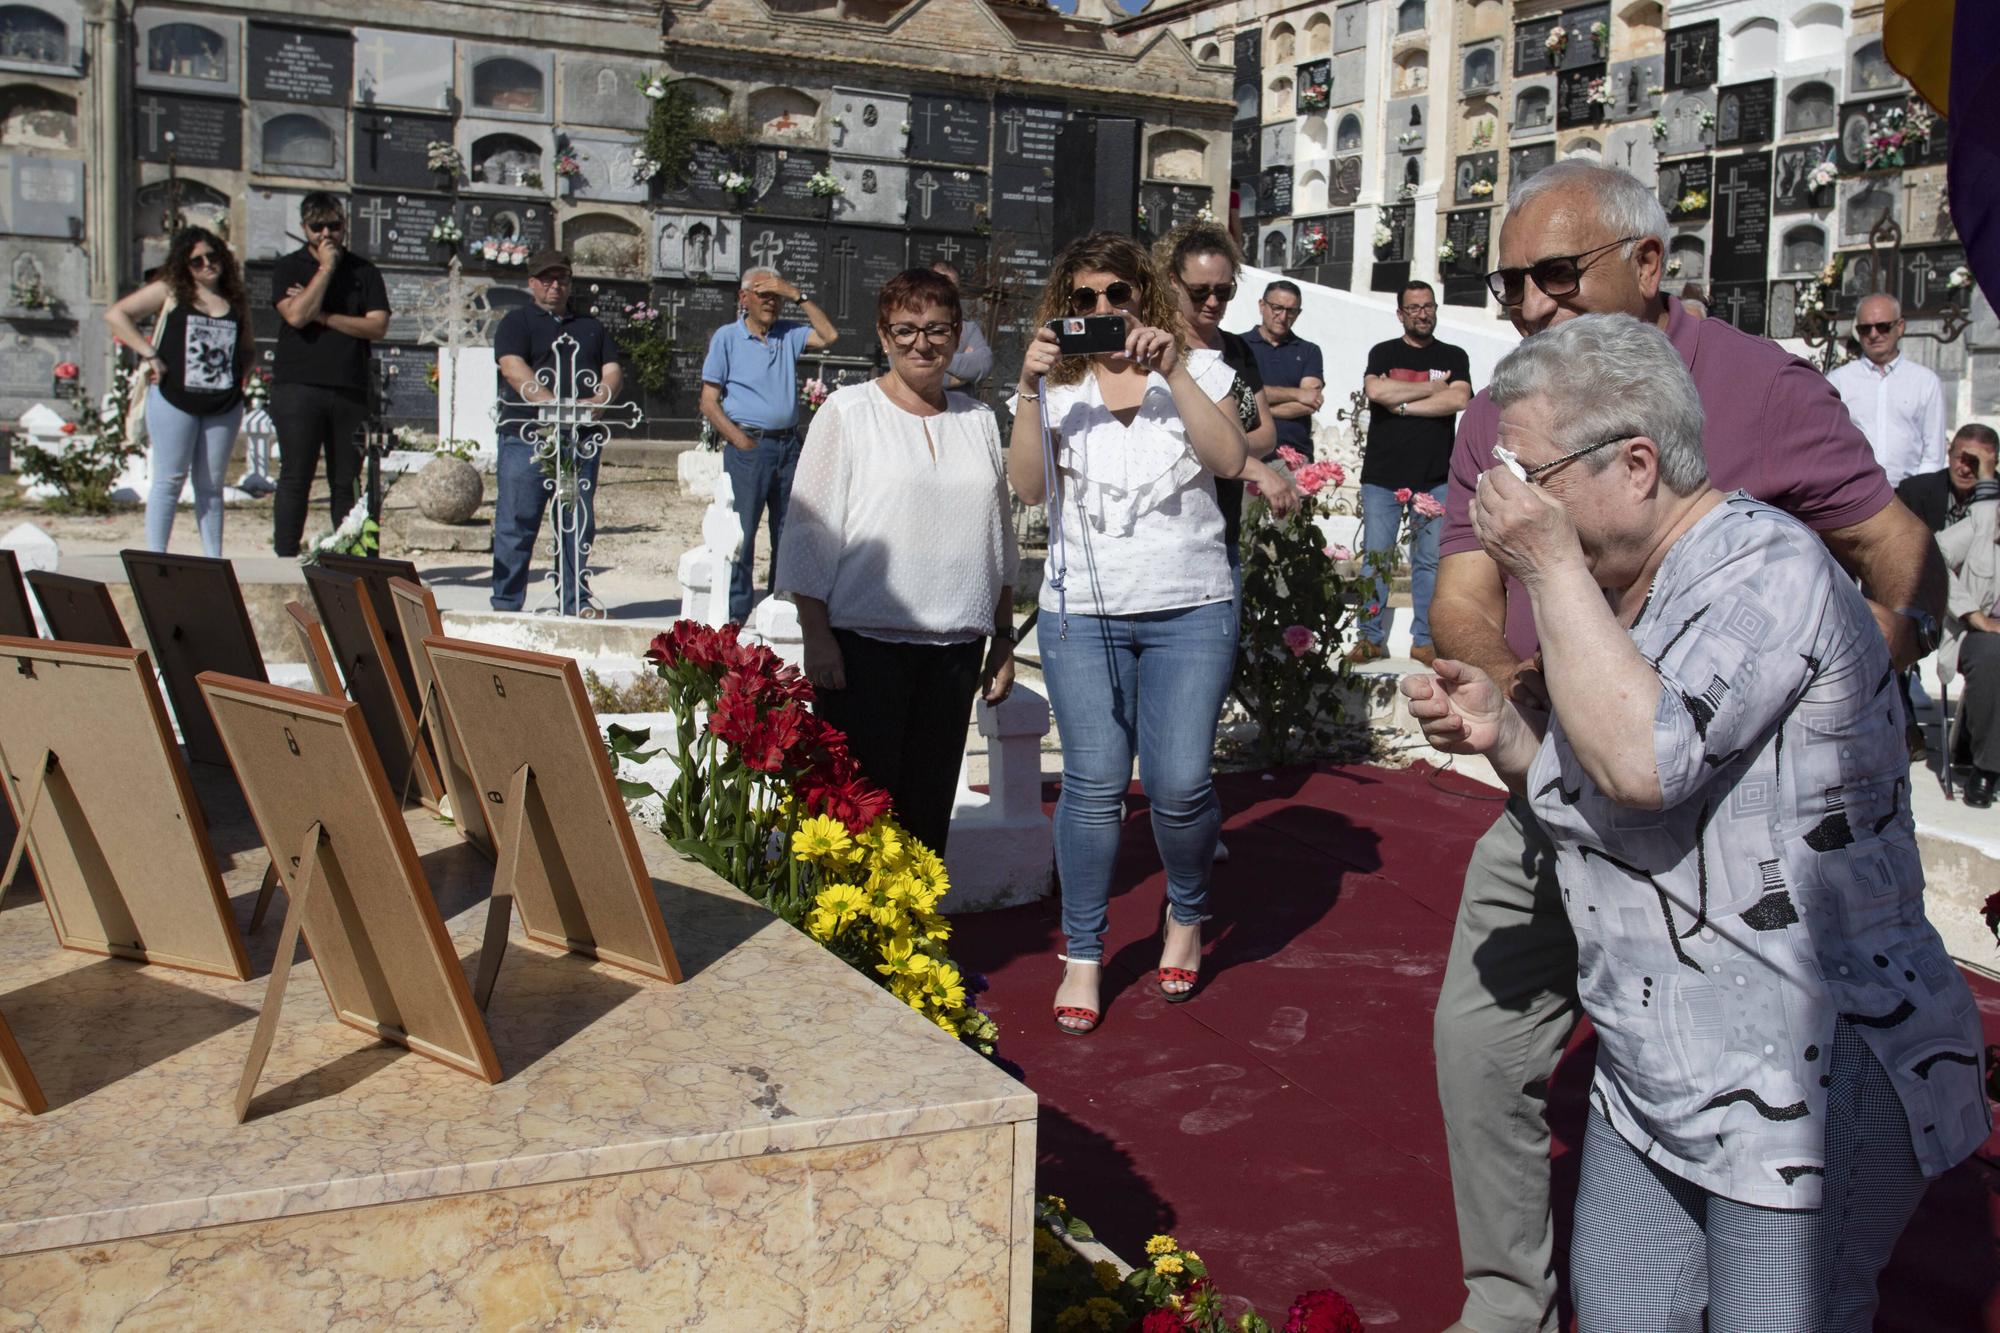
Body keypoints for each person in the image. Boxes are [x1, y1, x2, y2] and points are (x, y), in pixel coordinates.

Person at [1428, 160, 1947, 1333]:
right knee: (1480, 1040)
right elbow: (1465, 595)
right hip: (1563, 780)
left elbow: (1889, 545)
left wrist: (1851, 665)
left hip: (1735, 852)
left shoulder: (1762, 419)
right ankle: (1506, 1304)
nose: (1524, 306)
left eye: (1552, 276)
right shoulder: (1505, 406)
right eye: (1506, 282)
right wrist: (1513, 700)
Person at [1006, 231, 1251, 1035]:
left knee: (1179, 784)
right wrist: (1029, 386)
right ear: (1065, 307)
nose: (1104, 310)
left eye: (1118, 295)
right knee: (1093, 785)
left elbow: (1228, 459)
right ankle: (1084, 950)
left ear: (1144, 295)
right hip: (1083, 613)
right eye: (1085, 299)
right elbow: (1030, 489)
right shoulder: (1062, 387)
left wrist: (1171, 369)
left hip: (1190, 606)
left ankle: (1187, 912)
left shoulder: (1203, 370)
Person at [776, 268, 1018, 853]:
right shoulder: (848, 411)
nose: (921, 343)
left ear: (957, 336)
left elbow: (998, 536)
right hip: (864, 648)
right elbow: (811, 528)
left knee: (927, 811)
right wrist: (817, 635)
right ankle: (846, 941)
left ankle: (914, 937)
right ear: (883, 337)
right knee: (856, 811)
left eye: (937, 329)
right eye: (905, 329)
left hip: (955, 650)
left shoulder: (979, 421)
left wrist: (1004, 638)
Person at [1154, 220, 1300, 563]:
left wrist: (1220, 450)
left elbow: (1266, 433)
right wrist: (1236, 455)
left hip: (1226, 525)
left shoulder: (1237, 349)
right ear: (1173, 282)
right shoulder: (1159, 351)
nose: (1213, 301)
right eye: (1200, 291)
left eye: (1224, 290)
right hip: (1175, 531)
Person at [699, 267, 839, 623]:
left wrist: (797, 294)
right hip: (750, 448)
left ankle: (780, 607)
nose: (770, 303)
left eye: (775, 297)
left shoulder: (787, 334)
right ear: (744, 298)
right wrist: (739, 439)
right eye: (763, 295)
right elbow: (708, 401)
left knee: (788, 531)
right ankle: (736, 614)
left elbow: (829, 335)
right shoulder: (727, 339)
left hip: (788, 447)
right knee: (741, 533)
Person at [103, 226, 251, 557]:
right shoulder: (171, 292)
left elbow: (247, 348)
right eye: (196, 261)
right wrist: (150, 353)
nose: (206, 265)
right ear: (184, 266)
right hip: (174, 398)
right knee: (168, 480)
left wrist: (240, 378)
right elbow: (116, 315)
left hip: (222, 402)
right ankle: (156, 556)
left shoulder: (235, 299)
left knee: (211, 486)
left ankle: (213, 559)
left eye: (212, 256)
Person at [490, 248, 621, 615]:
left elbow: (611, 369)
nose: (554, 285)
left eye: (561, 277)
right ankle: (506, 605)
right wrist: (552, 405)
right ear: (532, 282)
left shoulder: (590, 327)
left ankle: (574, 602)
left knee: (576, 523)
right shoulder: (517, 322)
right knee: (517, 520)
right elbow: (512, 366)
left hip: (578, 439)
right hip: (527, 436)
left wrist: (598, 401)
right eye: (546, 278)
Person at [1354, 281, 1471, 668]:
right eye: (1414, 307)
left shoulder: (1454, 354)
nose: (1423, 313)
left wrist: (1403, 403)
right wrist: (1432, 388)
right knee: (1376, 560)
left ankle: (1424, 640)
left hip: (1435, 476)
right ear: (1401, 314)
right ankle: (1369, 638)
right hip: (1382, 478)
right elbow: (1377, 393)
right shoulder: (1383, 352)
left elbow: (1458, 399)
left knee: (1430, 562)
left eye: (1428, 306)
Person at [269, 191, 391, 557]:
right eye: (317, 227)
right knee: (296, 476)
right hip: (298, 387)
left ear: (344, 226)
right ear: (304, 229)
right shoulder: (289, 268)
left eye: (334, 226)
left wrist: (326, 318)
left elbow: (377, 326)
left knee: (346, 481)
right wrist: (325, 269)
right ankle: (286, 556)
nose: (326, 234)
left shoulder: (365, 272)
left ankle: (349, 557)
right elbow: (296, 315)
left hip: (349, 388)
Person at [1827, 293, 1948, 487]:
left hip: (1910, 493)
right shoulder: (1838, 381)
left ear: (1899, 327)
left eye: (1882, 326)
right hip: (1856, 493)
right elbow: (1829, 442)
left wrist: (1919, 491)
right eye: (1865, 328)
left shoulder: (1925, 382)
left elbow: (1934, 452)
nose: (1874, 335)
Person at [1241, 279, 1326, 460]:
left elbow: (1310, 402)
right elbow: (1239, 396)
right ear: (1262, 306)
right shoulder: (1238, 346)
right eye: (1277, 307)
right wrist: (1298, 394)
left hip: (1295, 457)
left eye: (1291, 311)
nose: (1283, 316)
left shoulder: (1309, 351)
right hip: (1248, 456)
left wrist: (1258, 409)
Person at [1897, 421, 1999, 532]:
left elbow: (1989, 532)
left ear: (1993, 464)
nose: (1965, 469)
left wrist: (1987, 480)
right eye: (1961, 459)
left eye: (1975, 462)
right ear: (1949, 454)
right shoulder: (1914, 490)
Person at [932, 261, 993, 391]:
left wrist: (933, 359)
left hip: (963, 408)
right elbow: (910, 374)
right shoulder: (914, 327)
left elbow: (984, 364)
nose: (949, 292)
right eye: (942, 285)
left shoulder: (969, 329)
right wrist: (960, 376)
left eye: (954, 287)